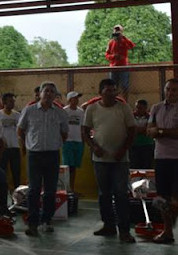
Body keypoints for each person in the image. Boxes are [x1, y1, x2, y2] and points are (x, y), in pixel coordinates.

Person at [82, 78, 136, 243]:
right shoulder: (92, 109)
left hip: (120, 160)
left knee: (121, 194)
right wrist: (93, 147)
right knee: (104, 194)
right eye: (108, 90)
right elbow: (84, 131)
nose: (112, 93)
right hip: (100, 160)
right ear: (100, 92)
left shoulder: (124, 108)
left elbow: (132, 131)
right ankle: (108, 225)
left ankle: (124, 230)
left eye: (114, 90)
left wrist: (123, 150)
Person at [17, 81, 68, 236]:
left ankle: (46, 221)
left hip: (52, 155)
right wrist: (28, 144)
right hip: (34, 155)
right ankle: (33, 222)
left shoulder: (60, 113)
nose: (49, 94)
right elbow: (20, 130)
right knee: (33, 189)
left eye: (52, 91)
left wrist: (54, 144)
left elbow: (64, 133)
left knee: (50, 190)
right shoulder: (29, 110)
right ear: (40, 93)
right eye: (46, 91)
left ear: (55, 96)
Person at [146, 78, 178, 243]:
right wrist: (168, 131)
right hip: (161, 157)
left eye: (174, 90)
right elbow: (149, 131)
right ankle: (167, 231)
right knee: (163, 196)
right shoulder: (156, 108)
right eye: (168, 89)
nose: (170, 92)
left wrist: (160, 131)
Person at [0, 93, 22, 188]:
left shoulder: (17, 115)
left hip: (15, 146)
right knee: (2, 171)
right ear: (4, 102)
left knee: (16, 172)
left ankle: (17, 191)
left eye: (13, 101)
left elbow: (21, 130)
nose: (13, 103)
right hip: (3, 148)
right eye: (10, 101)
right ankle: (3, 191)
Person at [62, 91, 84, 193]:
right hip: (67, 141)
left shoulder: (81, 112)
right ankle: (65, 189)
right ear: (69, 100)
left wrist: (83, 141)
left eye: (77, 98)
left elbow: (82, 127)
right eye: (74, 98)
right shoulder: (64, 111)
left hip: (78, 141)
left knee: (74, 167)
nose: (77, 100)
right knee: (67, 167)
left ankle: (71, 188)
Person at [104, 24, 135, 98]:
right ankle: (113, 101)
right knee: (112, 86)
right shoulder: (111, 42)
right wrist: (113, 56)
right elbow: (107, 55)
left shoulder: (124, 41)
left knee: (124, 86)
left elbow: (132, 46)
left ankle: (124, 102)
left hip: (123, 67)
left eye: (118, 31)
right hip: (113, 67)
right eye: (115, 31)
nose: (116, 33)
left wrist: (123, 37)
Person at [129, 99, 154, 169]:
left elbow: (149, 130)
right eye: (136, 107)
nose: (137, 110)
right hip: (133, 145)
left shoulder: (150, 117)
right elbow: (130, 129)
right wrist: (144, 129)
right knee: (134, 167)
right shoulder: (130, 117)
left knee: (147, 167)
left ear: (145, 108)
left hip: (147, 145)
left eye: (140, 108)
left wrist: (137, 130)